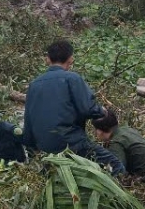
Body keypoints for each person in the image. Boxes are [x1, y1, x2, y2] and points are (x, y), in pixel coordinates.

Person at [22, 40, 125, 175]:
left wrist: (32, 152)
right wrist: (101, 111)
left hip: (44, 147)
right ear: (70, 59)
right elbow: (87, 108)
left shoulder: (34, 85)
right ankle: (116, 193)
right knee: (115, 165)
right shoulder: (72, 78)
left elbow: (28, 122)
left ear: (47, 59)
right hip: (70, 143)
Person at [92, 109, 145, 180]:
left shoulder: (116, 143)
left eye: (95, 129)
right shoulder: (127, 130)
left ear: (100, 130)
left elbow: (118, 172)